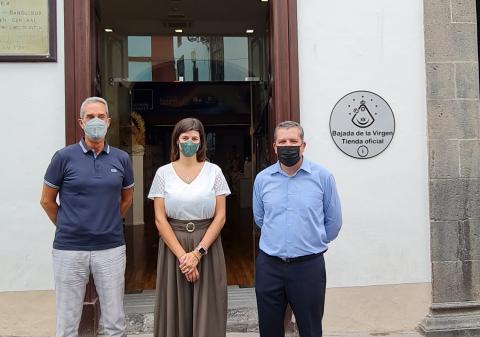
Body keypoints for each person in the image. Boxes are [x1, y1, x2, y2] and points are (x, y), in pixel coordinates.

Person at [40, 96, 134, 337]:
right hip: (69, 250)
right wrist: (68, 226)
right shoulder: (63, 157)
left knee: (115, 322)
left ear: (109, 122)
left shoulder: (121, 159)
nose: (96, 121)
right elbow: (47, 200)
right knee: (67, 323)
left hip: (111, 249)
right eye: (90, 117)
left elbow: (127, 199)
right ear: (81, 123)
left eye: (100, 117)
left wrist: (108, 221)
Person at [253, 120, 342, 337]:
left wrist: (310, 241)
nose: (288, 145)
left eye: (293, 141)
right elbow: (260, 218)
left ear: (303, 145)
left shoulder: (322, 178)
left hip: (308, 267)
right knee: (269, 329)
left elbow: (334, 222)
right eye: (282, 142)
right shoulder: (262, 179)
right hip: (270, 266)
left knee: (310, 329)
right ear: (274, 147)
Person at [148, 117, 231, 337]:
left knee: (209, 306)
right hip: (173, 245)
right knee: (174, 308)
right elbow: (159, 219)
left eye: (195, 138)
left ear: (201, 142)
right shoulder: (163, 173)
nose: (189, 142)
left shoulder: (215, 172)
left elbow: (221, 217)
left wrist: (197, 253)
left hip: (207, 246)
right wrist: (184, 257)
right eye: (185, 137)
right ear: (176, 140)